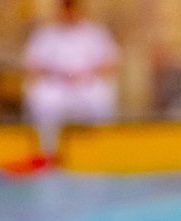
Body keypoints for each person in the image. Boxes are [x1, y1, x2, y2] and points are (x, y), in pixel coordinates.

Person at [22, 0, 119, 152]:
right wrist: (56, 72)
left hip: (87, 84)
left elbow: (111, 63)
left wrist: (87, 73)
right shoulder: (45, 34)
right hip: (55, 85)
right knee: (44, 100)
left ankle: (101, 147)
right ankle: (48, 150)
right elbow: (31, 66)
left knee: (101, 98)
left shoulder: (95, 33)